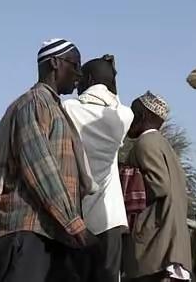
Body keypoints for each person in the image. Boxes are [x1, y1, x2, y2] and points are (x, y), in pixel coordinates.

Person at [0, 39, 95, 281]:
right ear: (55, 63)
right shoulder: (34, 103)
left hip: (47, 233)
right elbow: (41, 169)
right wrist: (75, 223)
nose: (79, 73)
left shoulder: (53, 107)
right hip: (26, 232)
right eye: (75, 64)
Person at [62, 56, 135, 282]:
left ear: (89, 80)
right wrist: (112, 76)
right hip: (109, 220)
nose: (77, 84)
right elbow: (115, 104)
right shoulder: (123, 116)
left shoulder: (68, 108)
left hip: (76, 218)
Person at [121, 92, 191, 282]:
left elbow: (159, 185)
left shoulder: (146, 142)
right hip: (169, 242)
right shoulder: (163, 144)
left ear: (142, 116)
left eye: (133, 114)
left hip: (156, 244)